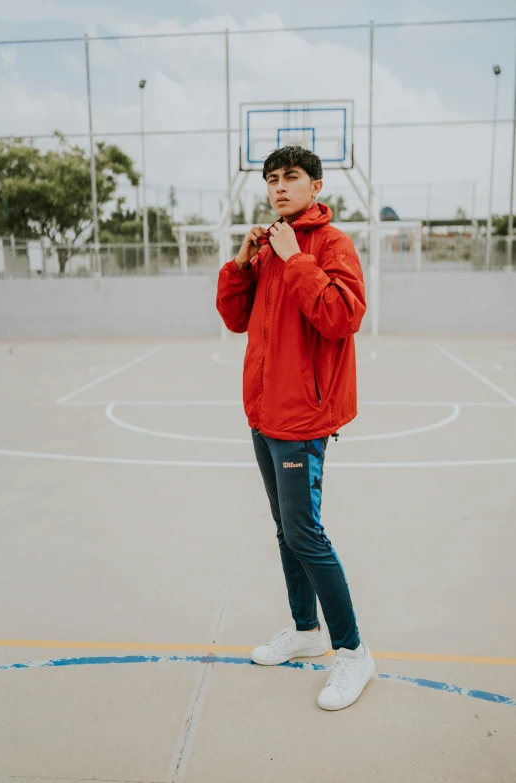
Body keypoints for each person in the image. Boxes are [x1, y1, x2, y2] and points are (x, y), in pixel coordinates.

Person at [216, 146, 373, 711]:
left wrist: (296, 258)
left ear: (317, 186)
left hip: (301, 416)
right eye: (272, 179)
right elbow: (236, 319)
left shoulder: (331, 246)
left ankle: (353, 653)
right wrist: (241, 263)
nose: (280, 187)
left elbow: (342, 317)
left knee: (306, 533)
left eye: (292, 178)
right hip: (263, 410)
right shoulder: (268, 244)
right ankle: (306, 631)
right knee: (285, 530)